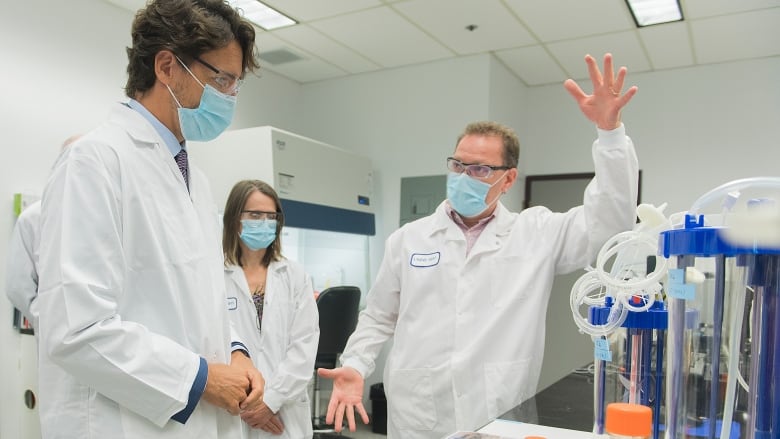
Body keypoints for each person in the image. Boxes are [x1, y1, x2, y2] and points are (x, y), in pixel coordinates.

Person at [317, 53, 640, 439]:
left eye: (480, 169)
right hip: (419, 414)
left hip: (498, 410)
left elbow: (611, 224)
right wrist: (355, 364)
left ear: (508, 179)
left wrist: (610, 134)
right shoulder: (408, 239)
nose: (464, 177)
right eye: (458, 165)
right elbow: (378, 317)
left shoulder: (538, 233)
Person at [35, 1, 264, 438]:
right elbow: (76, 328)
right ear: (167, 66)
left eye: (236, 85)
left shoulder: (193, 177)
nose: (230, 97)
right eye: (222, 79)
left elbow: (203, 297)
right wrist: (200, 380)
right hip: (119, 423)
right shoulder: (94, 161)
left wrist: (237, 352)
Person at [222, 180, 320, 438]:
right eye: (255, 215)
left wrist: (270, 402)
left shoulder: (295, 276)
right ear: (234, 218)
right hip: (235, 409)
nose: (264, 223)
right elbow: (212, 344)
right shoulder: (214, 275)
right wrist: (252, 405)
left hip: (283, 412)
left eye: (271, 216)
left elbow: (304, 347)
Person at [5, 135, 80, 333]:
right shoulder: (32, 218)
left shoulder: (108, 214)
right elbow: (18, 286)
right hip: (54, 333)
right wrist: (49, 321)